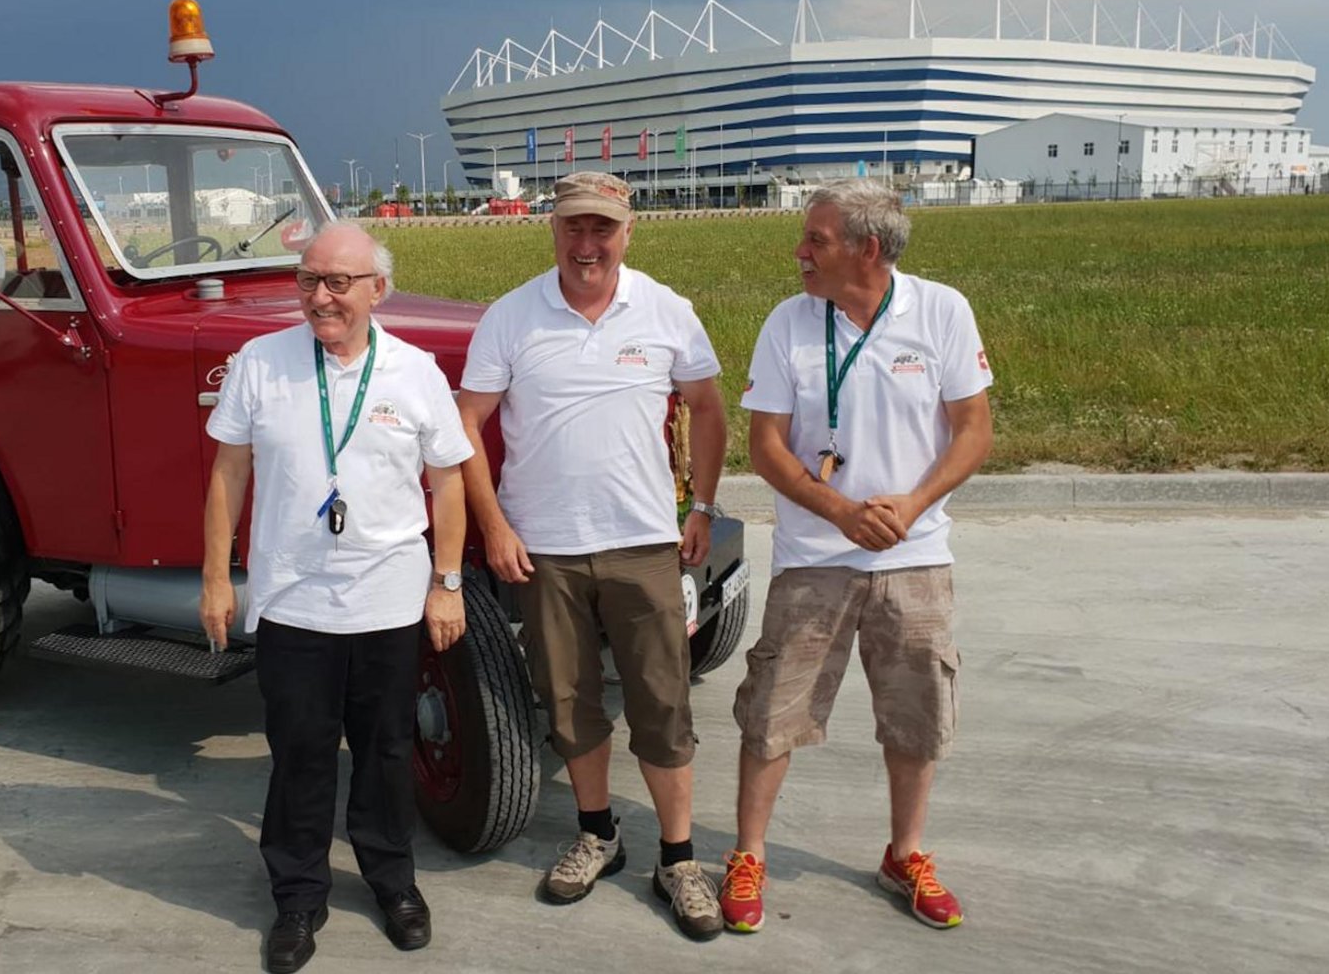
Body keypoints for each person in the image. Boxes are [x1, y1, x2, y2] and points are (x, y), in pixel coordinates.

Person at [457, 172, 728, 941]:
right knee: (569, 699)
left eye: (602, 229)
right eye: (574, 227)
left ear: (627, 233)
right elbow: (465, 423)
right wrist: (496, 524)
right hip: (545, 549)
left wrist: (702, 504)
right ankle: (598, 833)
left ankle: (677, 858)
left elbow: (707, 407)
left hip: (643, 540)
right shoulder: (512, 317)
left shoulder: (665, 309)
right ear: (553, 230)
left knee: (662, 702)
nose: (587, 244)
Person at [719, 180, 993, 934]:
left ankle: (905, 853)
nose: (799, 252)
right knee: (774, 709)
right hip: (814, 557)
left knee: (916, 713)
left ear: (867, 250)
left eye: (817, 240)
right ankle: (748, 854)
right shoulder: (789, 323)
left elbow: (973, 431)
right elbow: (766, 447)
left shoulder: (941, 311)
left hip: (915, 555)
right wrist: (840, 510)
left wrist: (910, 505)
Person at [200, 221, 473, 973]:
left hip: (388, 603)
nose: (321, 297)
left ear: (376, 289)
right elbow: (228, 474)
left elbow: (448, 482)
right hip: (293, 603)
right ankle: (297, 895)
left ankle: (392, 880)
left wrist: (446, 583)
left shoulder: (415, 372)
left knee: (388, 750)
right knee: (300, 753)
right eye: (309, 280)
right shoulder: (260, 363)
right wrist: (218, 577)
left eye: (338, 283)